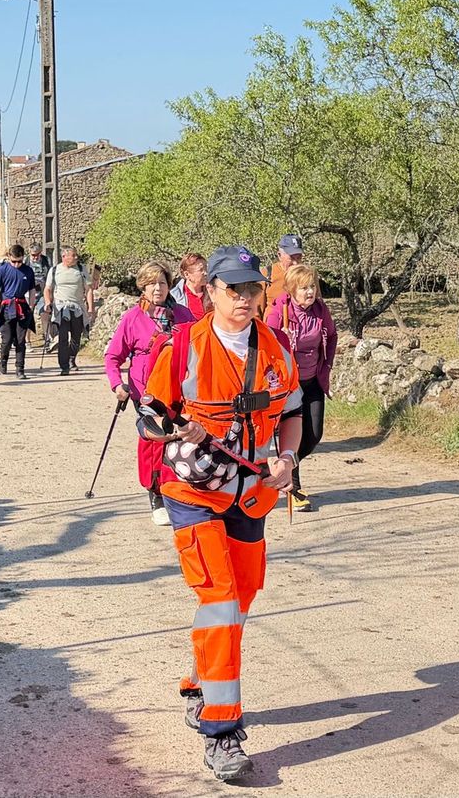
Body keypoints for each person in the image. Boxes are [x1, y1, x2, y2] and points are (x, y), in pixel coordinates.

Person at [140, 245, 303, 782]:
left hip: (253, 495)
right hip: (194, 496)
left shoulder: (275, 348)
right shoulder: (183, 346)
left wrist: (287, 457)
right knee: (220, 601)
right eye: (232, 289)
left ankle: (198, 682)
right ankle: (221, 729)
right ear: (209, 291)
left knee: (243, 597)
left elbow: (292, 415)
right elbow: (150, 416)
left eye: (253, 288)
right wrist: (172, 428)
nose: (244, 298)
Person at [104, 262, 196, 526]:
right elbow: (113, 356)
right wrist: (117, 384)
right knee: (155, 440)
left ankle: (178, 488)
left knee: (180, 438)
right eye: (152, 283)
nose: (158, 288)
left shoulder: (183, 315)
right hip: (145, 392)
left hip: (179, 387)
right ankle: (155, 492)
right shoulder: (133, 318)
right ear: (142, 287)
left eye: (163, 283)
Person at [265, 264, 337, 512]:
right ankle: (294, 487)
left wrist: (325, 367)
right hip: (288, 385)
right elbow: (266, 343)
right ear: (292, 290)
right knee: (286, 437)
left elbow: (332, 335)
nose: (310, 292)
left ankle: (286, 468)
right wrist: (282, 339)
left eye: (313, 286)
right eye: (304, 288)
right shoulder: (279, 312)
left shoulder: (320, 310)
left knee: (313, 435)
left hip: (312, 380)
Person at [44, 246, 93, 375]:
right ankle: (64, 365)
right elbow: (47, 289)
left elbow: (88, 289)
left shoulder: (81, 269)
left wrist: (90, 307)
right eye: (73, 255)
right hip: (61, 308)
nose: (76, 257)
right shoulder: (55, 270)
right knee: (63, 337)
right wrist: (48, 302)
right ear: (64, 257)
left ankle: (72, 358)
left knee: (77, 336)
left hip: (78, 307)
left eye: (76, 255)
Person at [0, 244, 38, 379]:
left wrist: (31, 306)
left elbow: (32, 290)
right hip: (6, 307)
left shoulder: (28, 271)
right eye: (14, 261)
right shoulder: (2, 270)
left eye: (20, 261)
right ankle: (3, 360)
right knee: (6, 339)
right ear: (9, 258)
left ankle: (20, 368)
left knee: (20, 339)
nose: (17, 264)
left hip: (22, 307)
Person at [262, 233, 304, 309]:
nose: (296, 263)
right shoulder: (267, 274)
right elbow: (256, 311)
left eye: (299, 257)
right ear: (279, 255)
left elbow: (318, 307)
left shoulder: (307, 275)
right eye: (291, 258)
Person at [171, 252, 210, 318]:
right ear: (187, 274)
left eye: (206, 268)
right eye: (201, 270)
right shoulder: (175, 297)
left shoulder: (213, 292)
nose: (206, 273)